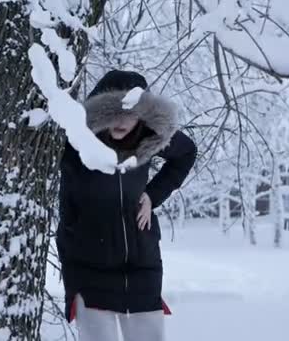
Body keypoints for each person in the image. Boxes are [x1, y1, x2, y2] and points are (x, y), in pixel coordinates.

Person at [56, 70, 197, 341]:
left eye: (130, 113)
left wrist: (152, 195)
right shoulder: (76, 146)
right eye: (113, 113)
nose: (122, 121)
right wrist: (73, 289)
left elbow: (186, 153)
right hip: (91, 275)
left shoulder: (147, 137)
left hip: (142, 269)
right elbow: (67, 223)